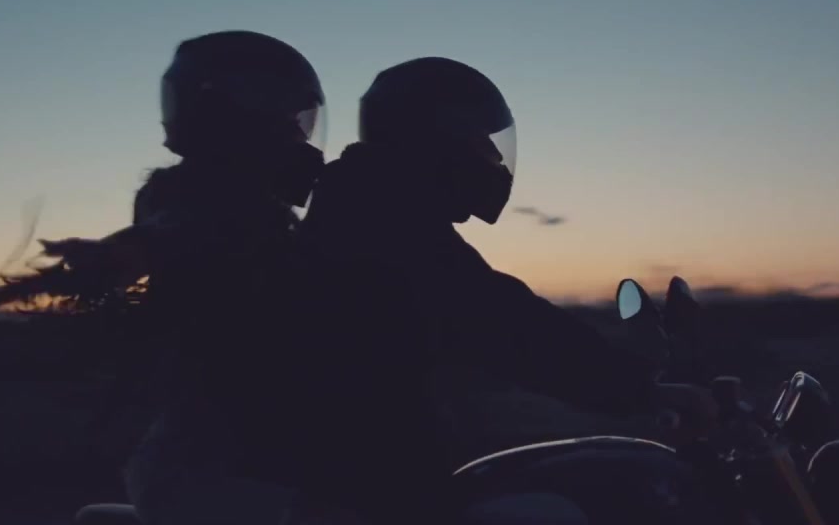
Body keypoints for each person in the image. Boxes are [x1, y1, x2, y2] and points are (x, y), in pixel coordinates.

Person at [0, 31, 334, 525]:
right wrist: (122, 254)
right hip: (213, 465)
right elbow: (184, 228)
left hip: (233, 448)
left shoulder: (264, 214)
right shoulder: (204, 197)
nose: (298, 136)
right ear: (236, 116)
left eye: (300, 119)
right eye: (286, 118)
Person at [294, 57, 715, 522]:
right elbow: (505, 325)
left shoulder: (368, 206)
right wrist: (638, 387)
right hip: (363, 493)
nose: (495, 162)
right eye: (484, 146)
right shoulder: (383, 224)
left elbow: (497, 314)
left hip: (368, 479)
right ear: (439, 142)